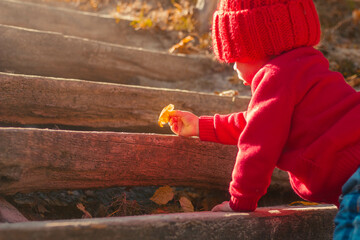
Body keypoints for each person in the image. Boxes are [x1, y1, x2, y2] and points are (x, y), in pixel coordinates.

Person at [167, 0, 360, 238]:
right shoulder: (306, 66)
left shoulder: (275, 76)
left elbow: (257, 145)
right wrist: (201, 125)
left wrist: (240, 201)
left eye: (235, 57)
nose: (234, 67)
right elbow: (256, 122)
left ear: (256, 46)